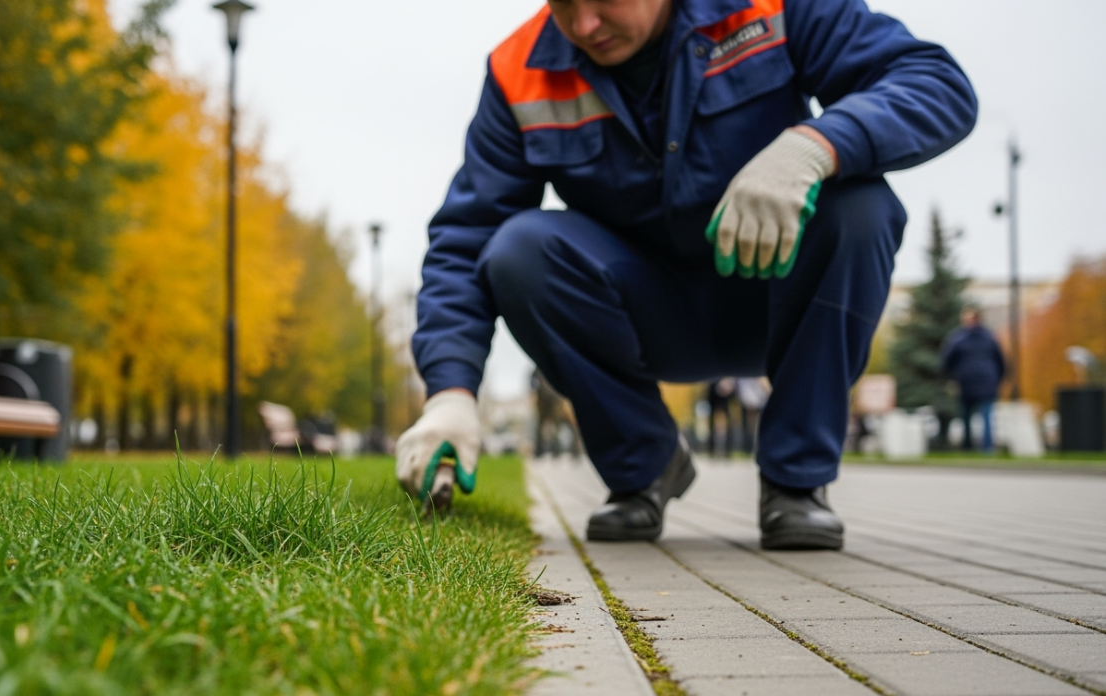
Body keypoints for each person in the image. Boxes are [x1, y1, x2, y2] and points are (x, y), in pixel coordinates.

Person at [395, 0, 977, 550]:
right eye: (563, 4)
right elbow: (465, 238)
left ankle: (796, 482)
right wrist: (450, 391)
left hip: (775, 293)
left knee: (861, 206)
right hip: (648, 313)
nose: (585, 23)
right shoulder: (519, 70)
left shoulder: (765, 6)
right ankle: (644, 467)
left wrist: (816, 145)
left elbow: (936, 84)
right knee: (516, 248)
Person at [942, 308, 1006, 454]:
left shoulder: (958, 338)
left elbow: (947, 361)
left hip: (966, 382)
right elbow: (1001, 361)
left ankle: (968, 447)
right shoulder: (990, 337)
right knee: (986, 417)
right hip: (987, 381)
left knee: (967, 417)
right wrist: (998, 379)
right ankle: (987, 448)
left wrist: (950, 378)